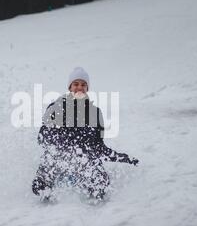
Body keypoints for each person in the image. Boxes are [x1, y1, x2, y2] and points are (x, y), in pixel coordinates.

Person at [32, 67, 139, 202]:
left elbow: (99, 147)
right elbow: (42, 137)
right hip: (59, 157)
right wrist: (63, 142)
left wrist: (121, 157)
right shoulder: (56, 107)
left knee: (100, 187)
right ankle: (48, 201)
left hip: (83, 160)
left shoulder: (95, 113)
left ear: (87, 88)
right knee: (40, 185)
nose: (79, 88)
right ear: (70, 87)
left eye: (83, 84)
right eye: (76, 84)